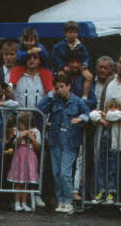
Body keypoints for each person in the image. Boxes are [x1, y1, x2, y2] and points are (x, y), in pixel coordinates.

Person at [37, 72, 89, 214]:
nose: (60, 90)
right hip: (55, 140)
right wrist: (49, 95)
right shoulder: (53, 100)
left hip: (70, 141)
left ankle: (69, 199)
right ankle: (60, 200)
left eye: (62, 87)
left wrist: (81, 119)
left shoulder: (77, 101)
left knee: (65, 173)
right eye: (57, 88)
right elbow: (38, 109)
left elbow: (88, 112)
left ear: (68, 86)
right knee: (57, 172)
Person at [89, 96, 121, 204]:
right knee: (101, 169)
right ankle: (101, 191)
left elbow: (117, 115)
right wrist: (101, 119)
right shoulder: (104, 116)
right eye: (110, 107)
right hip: (102, 147)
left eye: (116, 107)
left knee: (112, 170)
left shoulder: (119, 115)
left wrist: (106, 115)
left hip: (114, 147)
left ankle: (111, 193)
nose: (113, 109)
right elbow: (92, 114)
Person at [7, 109, 40, 211]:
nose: (19, 125)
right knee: (18, 182)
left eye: (21, 123)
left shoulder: (36, 131)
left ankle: (24, 203)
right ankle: (17, 203)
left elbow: (38, 147)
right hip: (19, 157)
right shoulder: (17, 131)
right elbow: (14, 145)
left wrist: (32, 138)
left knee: (26, 182)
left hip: (30, 158)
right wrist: (20, 137)